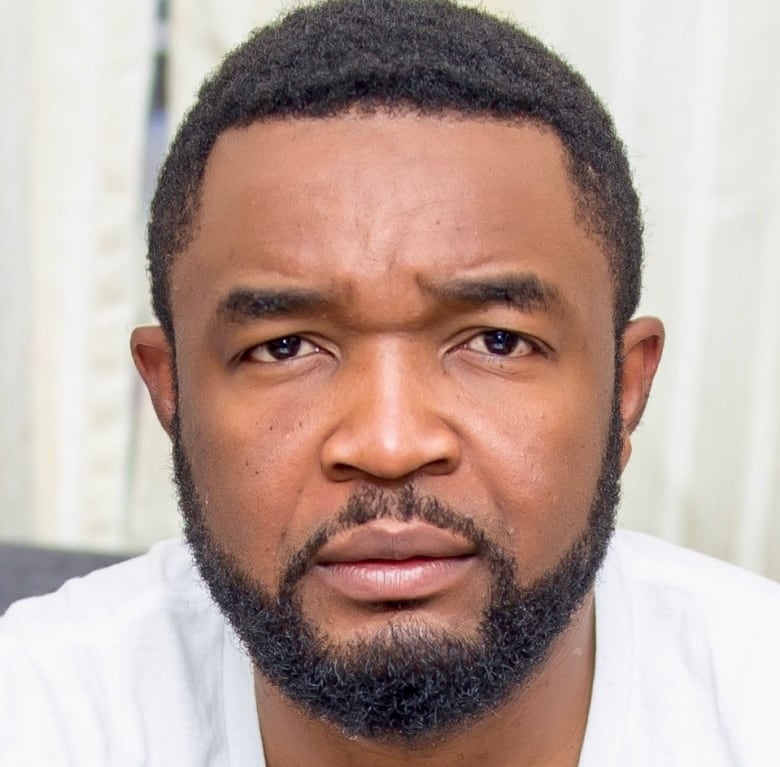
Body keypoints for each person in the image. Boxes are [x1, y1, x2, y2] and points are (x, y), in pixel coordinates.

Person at [1, 1, 778, 764]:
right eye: (285, 346)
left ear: (625, 387)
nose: (389, 442)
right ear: (171, 393)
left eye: (497, 341)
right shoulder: (38, 712)